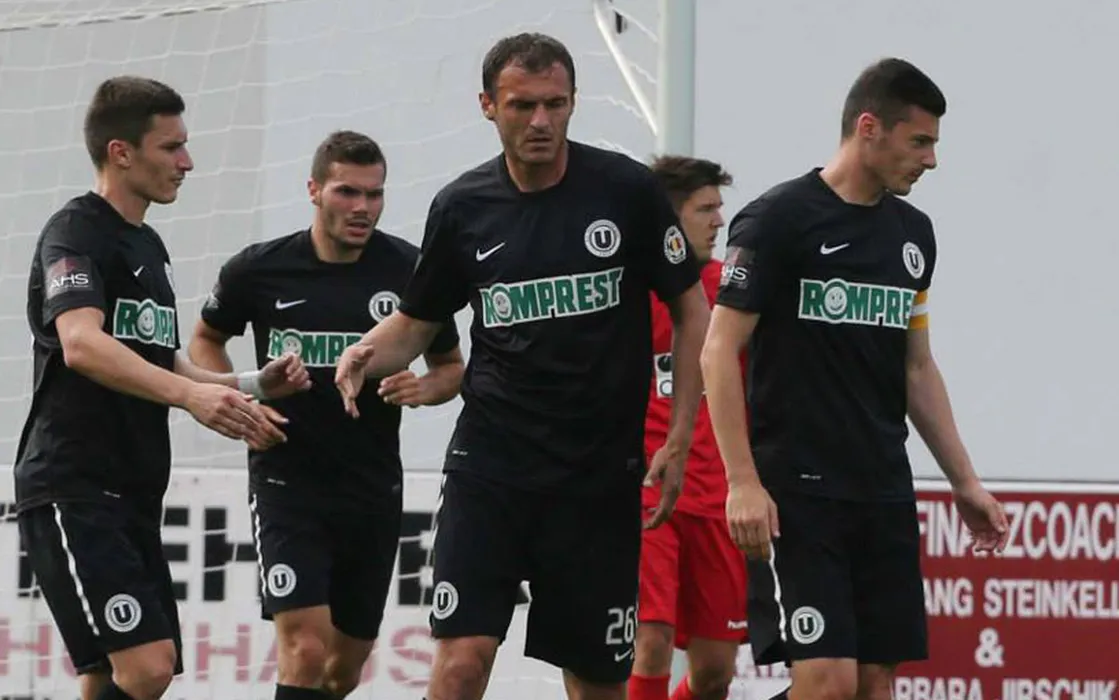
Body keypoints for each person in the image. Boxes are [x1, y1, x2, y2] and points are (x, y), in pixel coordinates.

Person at [333, 32, 711, 700]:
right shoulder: (462, 207)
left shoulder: (626, 190)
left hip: (597, 476)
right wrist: (364, 352)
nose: (540, 121)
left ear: (572, 103)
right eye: (522, 105)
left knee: (597, 684)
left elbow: (692, 311)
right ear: (488, 106)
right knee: (460, 664)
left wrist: (679, 435)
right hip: (493, 466)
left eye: (554, 105)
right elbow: (416, 322)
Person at [700, 58, 1009, 700]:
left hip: (882, 490)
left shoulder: (913, 236)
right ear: (869, 128)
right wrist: (743, 482)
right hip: (797, 493)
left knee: (874, 686)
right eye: (918, 142)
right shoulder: (778, 219)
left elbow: (916, 365)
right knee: (827, 683)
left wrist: (965, 481)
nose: (930, 161)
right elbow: (718, 351)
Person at [12, 76, 310, 700]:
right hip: (75, 484)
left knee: (118, 675)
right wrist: (190, 398)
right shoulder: (75, 232)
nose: (187, 162)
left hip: (132, 488)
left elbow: (159, 357)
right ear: (121, 152)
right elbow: (82, 343)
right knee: (146, 668)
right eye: (172, 147)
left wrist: (247, 384)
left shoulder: (147, 244)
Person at [187, 130, 464, 700]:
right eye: (347, 192)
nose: (362, 208)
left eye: (374, 194)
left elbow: (451, 368)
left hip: (371, 487)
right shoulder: (259, 270)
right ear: (313, 190)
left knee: (342, 671)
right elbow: (205, 340)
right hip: (287, 481)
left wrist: (422, 387)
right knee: (304, 649)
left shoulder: (411, 271)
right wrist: (242, 402)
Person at [629, 156, 747, 700]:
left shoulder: (734, 293)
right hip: (646, 492)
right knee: (649, 640)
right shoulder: (631, 290)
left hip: (719, 499)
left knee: (715, 672)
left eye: (719, 207)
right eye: (705, 209)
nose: (719, 220)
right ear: (669, 219)